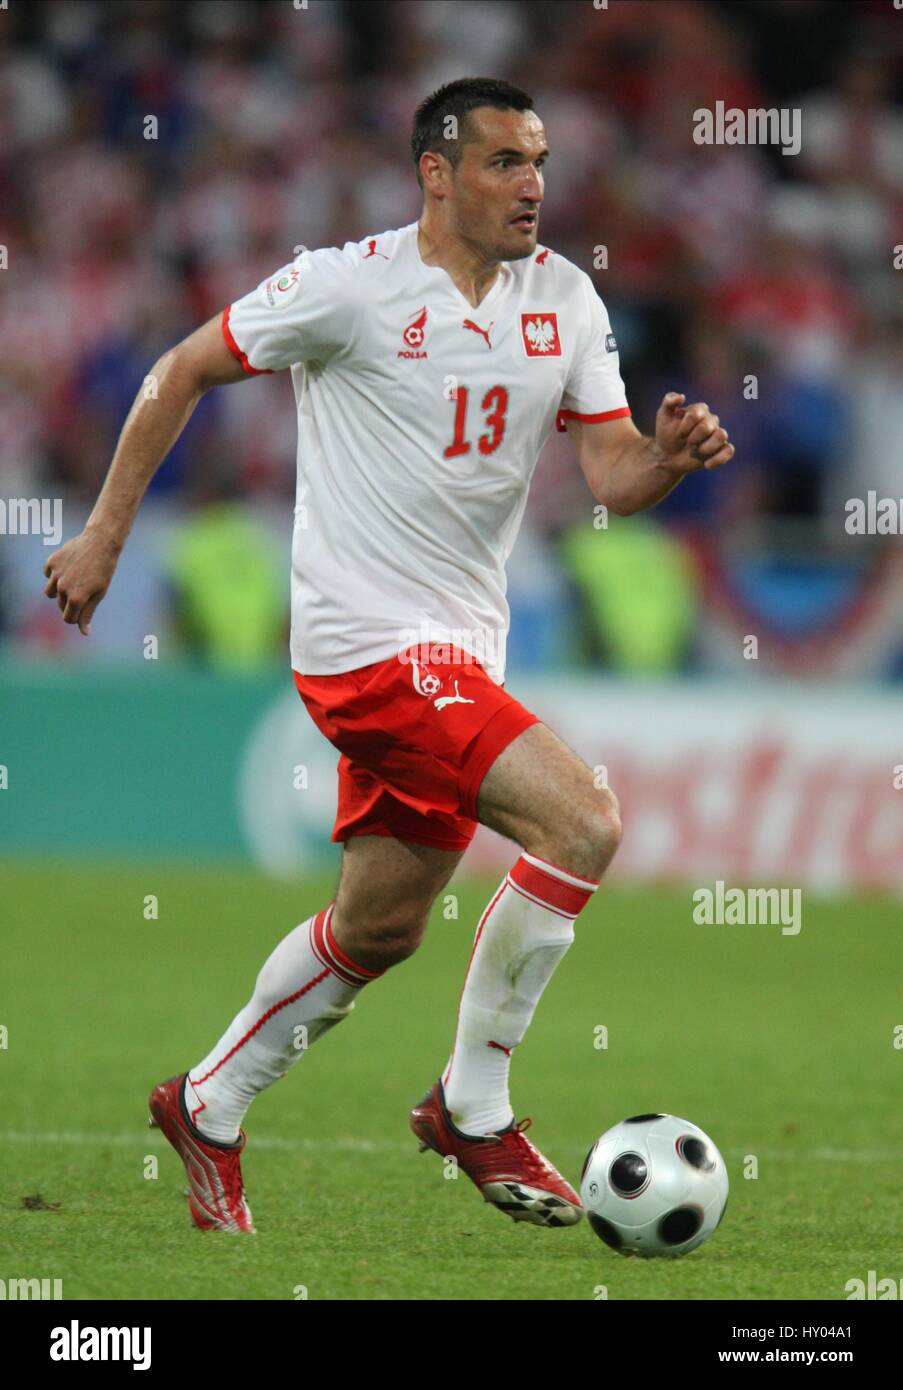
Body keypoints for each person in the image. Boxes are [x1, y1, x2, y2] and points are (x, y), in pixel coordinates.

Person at [43, 77, 733, 1234]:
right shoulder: (346, 286)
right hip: (363, 648)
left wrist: (668, 458)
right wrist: (107, 530)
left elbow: (610, 472)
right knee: (584, 822)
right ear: (437, 170)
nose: (534, 186)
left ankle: (206, 1102)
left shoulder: (564, 297)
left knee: (380, 927)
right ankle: (474, 1105)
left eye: (542, 161)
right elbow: (183, 369)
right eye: (508, 161)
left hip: (463, 653)